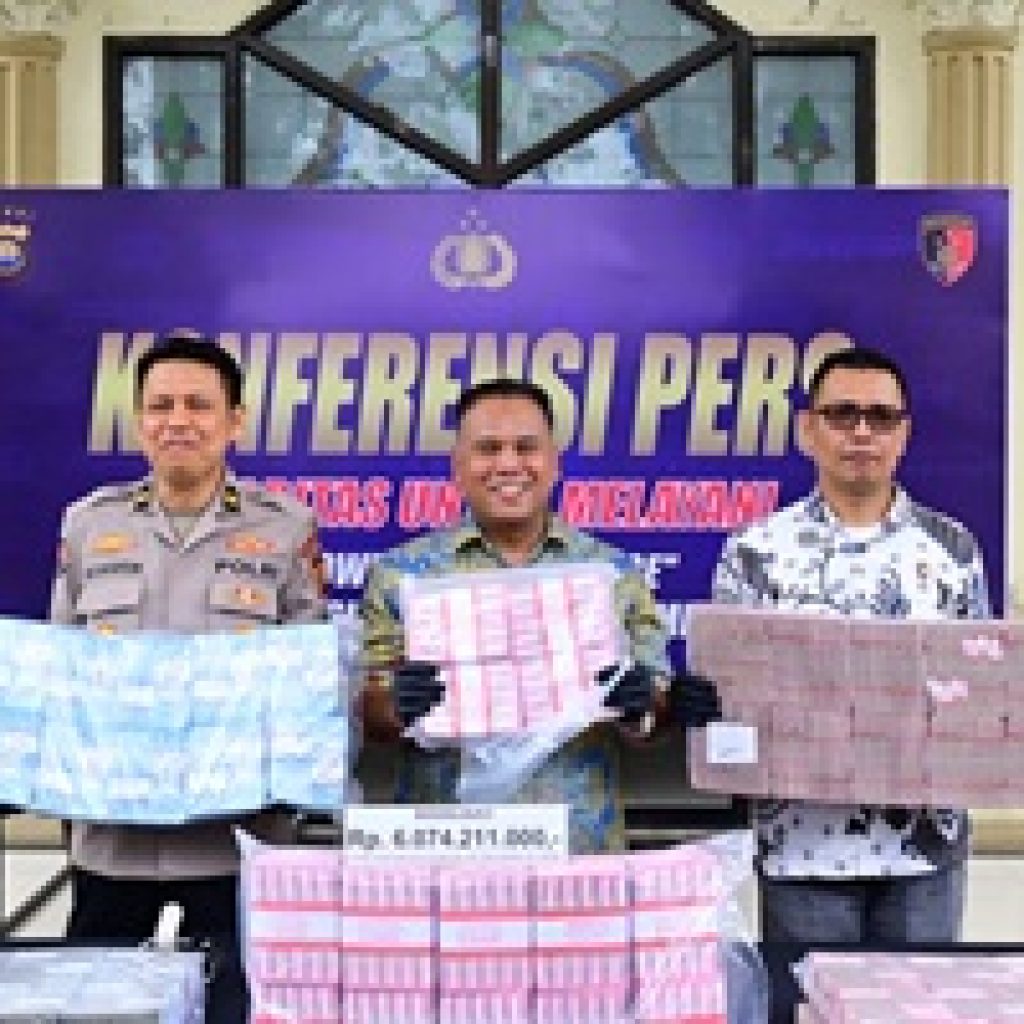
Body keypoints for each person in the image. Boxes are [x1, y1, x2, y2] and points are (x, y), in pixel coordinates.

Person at [49, 332, 326, 1019]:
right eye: (161, 405)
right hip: (113, 841)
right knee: (95, 1013)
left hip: (235, 841)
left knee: (238, 1010)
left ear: (235, 421)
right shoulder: (88, 525)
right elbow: (60, 674)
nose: (178, 421)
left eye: (199, 405)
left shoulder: (287, 528)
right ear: (139, 419)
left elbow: (310, 679)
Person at [704, 346, 990, 958]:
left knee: (917, 1001)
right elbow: (730, 699)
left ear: (904, 434)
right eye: (842, 414)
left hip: (925, 853)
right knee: (808, 1001)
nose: (862, 432)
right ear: (808, 429)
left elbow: (978, 693)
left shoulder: (953, 550)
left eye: (881, 417)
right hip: (801, 846)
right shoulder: (755, 551)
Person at [360, 377, 669, 853]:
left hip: (577, 850)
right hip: (445, 847)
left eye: (526, 447)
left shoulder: (612, 575)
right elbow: (368, 716)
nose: (508, 464)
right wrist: (393, 706)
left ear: (554, 462)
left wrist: (642, 705)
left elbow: (656, 717)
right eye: (488, 449)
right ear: (457, 467)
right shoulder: (401, 576)